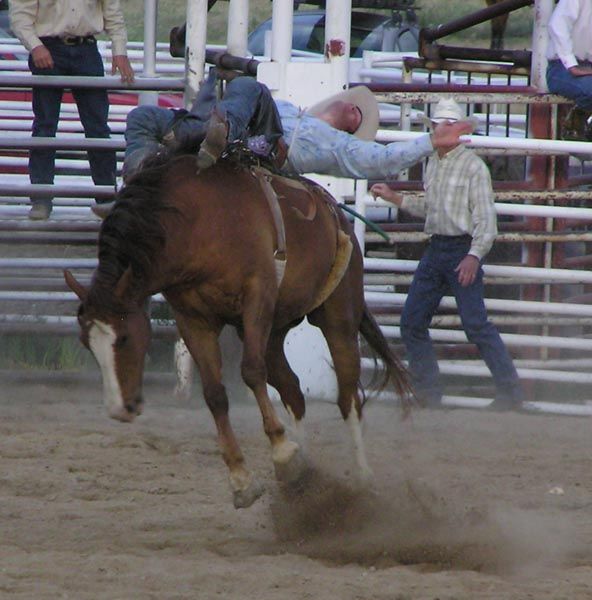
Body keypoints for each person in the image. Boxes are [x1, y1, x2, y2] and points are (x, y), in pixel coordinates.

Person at [371, 98, 523, 411]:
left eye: (444, 125)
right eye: (438, 125)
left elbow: (485, 220)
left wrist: (474, 255)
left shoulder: (472, 167)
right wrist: (395, 198)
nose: (440, 130)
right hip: (440, 246)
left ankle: (505, 391)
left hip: (458, 248)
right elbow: (431, 208)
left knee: (472, 323)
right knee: (416, 321)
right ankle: (433, 392)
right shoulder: (435, 162)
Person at [122, 72, 473, 185]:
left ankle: (211, 133)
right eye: (355, 106)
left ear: (351, 132)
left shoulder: (335, 144)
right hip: (227, 127)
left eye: (358, 119)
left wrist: (430, 140)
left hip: (263, 146)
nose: (354, 111)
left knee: (248, 86)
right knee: (140, 118)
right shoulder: (291, 108)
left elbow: (379, 160)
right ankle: (139, 174)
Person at [9, 0, 135, 220]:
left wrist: (120, 50)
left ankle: (106, 196)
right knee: (45, 127)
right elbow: (20, 15)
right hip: (49, 47)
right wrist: (36, 46)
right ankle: (41, 197)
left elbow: (112, 12)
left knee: (97, 128)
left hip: (86, 48)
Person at [546, 0, 592, 141]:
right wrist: (571, 65)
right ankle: (574, 124)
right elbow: (557, 24)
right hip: (561, 66)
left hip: (585, 66)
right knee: (589, 89)